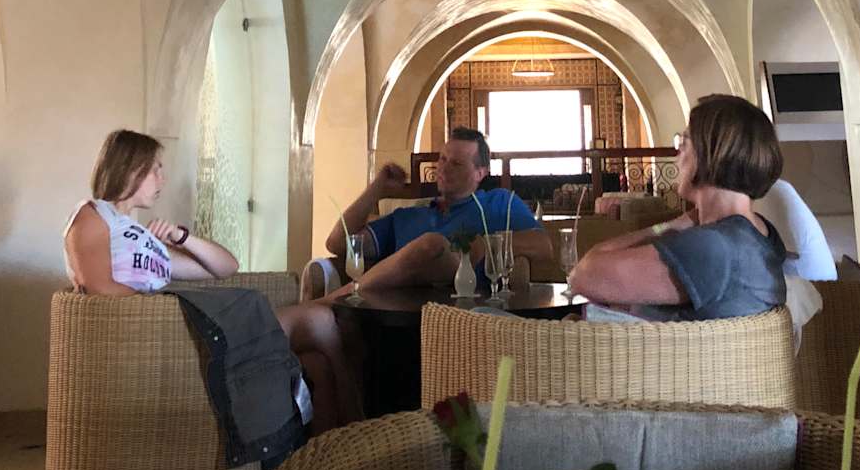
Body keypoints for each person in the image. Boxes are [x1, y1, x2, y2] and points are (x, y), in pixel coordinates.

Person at [64, 128, 359, 429]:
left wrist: (182, 237)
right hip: (165, 333)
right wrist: (163, 311)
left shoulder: (141, 236)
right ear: (131, 169)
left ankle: (332, 448)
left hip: (178, 324)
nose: (162, 180)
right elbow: (99, 290)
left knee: (317, 363)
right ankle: (359, 427)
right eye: (155, 169)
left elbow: (225, 267)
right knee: (320, 322)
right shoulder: (93, 214)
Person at [569, 95, 787, 320]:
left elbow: (583, 275)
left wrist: (670, 225)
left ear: (710, 152)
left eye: (684, 142)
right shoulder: (761, 233)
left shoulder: (714, 246)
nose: (677, 156)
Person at [323, 127, 553, 295]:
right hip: (391, 319)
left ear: (480, 173)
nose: (443, 168)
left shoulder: (499, 203)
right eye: (443, 159)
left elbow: (544, 246)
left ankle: (337, 299)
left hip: (462, 318)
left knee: (432, 245)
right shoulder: (409, 215)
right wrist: (377, 189)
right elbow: (337, 244)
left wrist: (485, 245)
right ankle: (332, 304)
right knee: (313, 328)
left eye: (456, 163)